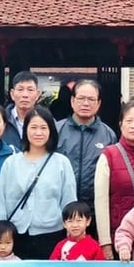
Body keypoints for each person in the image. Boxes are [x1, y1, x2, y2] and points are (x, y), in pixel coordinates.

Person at [0, 106, 77, 260]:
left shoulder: (61, 163)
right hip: (16, 235)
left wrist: (71, 235)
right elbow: (1, 201)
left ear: (51, 131)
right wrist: (1, 233)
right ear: (25, 130)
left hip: (52, 235)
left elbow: (69, 202)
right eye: (33, 127)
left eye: (43, 128)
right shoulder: (11, 163)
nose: (38, 132)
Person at [95, 101, 134, 259]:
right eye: (129, 121)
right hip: (119, 235)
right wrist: (105, 242)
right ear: (121, 124)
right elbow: (100, 201)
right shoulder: (108, 155)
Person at [56, 79, 117, 213]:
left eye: (91, 99)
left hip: (95, 207)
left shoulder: (108, 134)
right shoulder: (56, 130)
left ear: (98, 103)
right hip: (61, 205)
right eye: (81, 98)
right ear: (72, 101)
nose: (85, 103)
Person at [1, 71, 42, 148]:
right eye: (20, 89)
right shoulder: (1, 119)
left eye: (30, 90)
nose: (25, 95)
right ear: (12, 94)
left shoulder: (46, 121)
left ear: (37, 94)